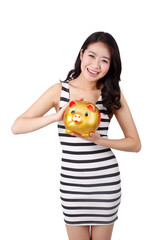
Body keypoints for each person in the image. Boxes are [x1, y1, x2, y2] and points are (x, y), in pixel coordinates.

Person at [11, 31, 141, 240]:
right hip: (72, 185)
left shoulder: (112, 93)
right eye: (91, 56)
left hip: (105, 184)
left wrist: (100, 140)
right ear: (81, 55)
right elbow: (17, 126)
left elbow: (135, 144)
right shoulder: (58, 91)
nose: (96, 65)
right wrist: (55, 117)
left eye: (104, 60)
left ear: (111, 65)